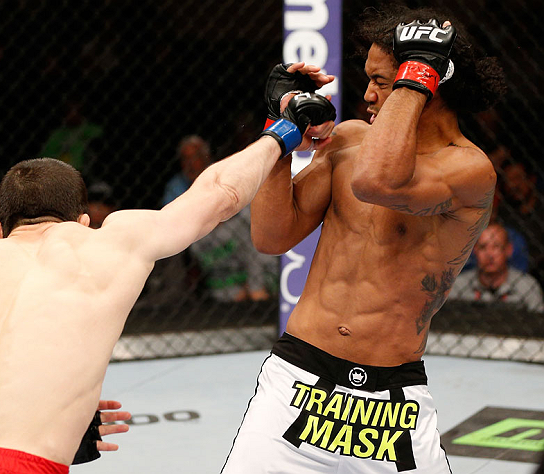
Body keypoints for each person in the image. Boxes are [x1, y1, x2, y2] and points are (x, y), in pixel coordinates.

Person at [0, 90, 335, 472]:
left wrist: (32, 416)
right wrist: (283, 130)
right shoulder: (105, 244)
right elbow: (218, 194)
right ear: (82, 221)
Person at [222, 6, 507, 473]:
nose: (369, 95)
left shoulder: (470, 170)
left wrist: (416, 74)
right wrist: (281, 134)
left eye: (382, 81)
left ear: (427, 83)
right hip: (297, 383)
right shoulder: (350, 140)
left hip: (391, 409)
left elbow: (379, 182)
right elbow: (271, 236)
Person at [448, 223, 543, 312]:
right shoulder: (457, 286)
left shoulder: (527, 286)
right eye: (483, 247)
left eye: (496, 246)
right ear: (474, 250)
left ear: (508, 250)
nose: (489, 255)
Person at [161, 135, 213, 206]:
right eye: (185, 158)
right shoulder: (174, 186)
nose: (190, 163)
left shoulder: (218, 176)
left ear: (205, 158)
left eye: (195, 157)